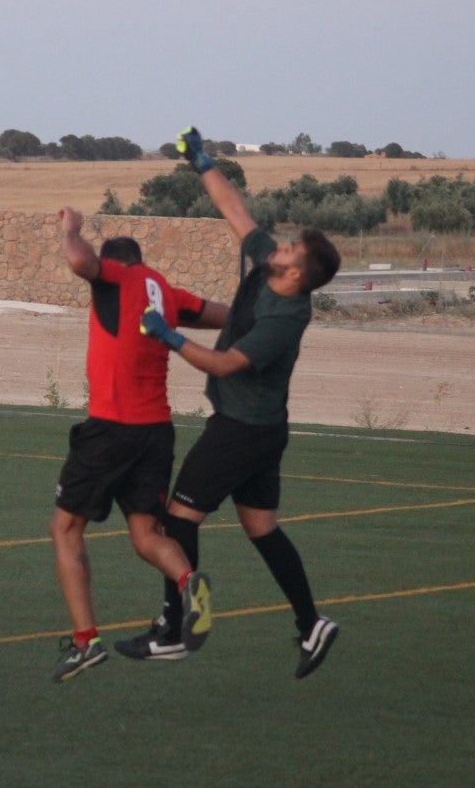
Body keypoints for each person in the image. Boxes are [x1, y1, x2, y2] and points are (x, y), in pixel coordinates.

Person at [121, 127, 343, 679]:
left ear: (296, 273)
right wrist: (201, 160)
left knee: (178, 519)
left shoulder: (284, 319)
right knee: (262, 527)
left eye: (289, 249)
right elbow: (234, 209)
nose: (278, 245)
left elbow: (223, 364)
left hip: (242, 431)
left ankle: (173, 630)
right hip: (264, 431)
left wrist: (169, 336)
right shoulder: (269, 264)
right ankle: (311, 623)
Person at [49, 207, 230, 682]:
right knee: (146, 534)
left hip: (111, 427)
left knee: (66, 528)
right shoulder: (166, 292)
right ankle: (189, 582)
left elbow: (79, 260)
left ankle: (86, 643)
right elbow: (223, 315)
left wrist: (71, 228)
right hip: (155, 433)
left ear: (114, 264)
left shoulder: (116, 278)